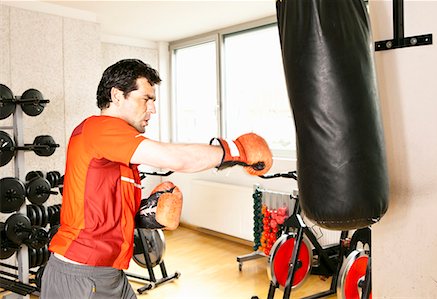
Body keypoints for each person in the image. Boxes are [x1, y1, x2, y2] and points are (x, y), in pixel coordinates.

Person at [40, 59, 272, 299]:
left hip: (110, 273)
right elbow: (175, 158)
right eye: (146, 99)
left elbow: (105, 207)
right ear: (117, 96)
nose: (152, 109)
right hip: (81, 274)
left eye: (154, 101)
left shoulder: (117, 149)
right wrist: (236, 150)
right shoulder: (99, 129)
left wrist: (148, 213)